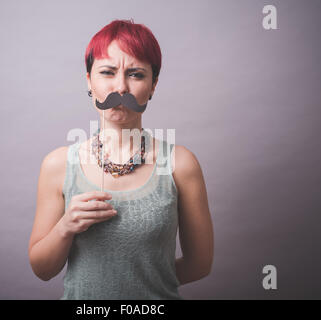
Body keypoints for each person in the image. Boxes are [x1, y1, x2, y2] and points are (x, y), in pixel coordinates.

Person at [28, 19, 214, 300]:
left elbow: (199, 265)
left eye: (136, 74)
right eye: (107, 72)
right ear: (89, 80)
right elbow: (42, 270)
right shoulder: (58, 165)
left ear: (153, 85)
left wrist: (141, 283)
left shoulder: (180, 164)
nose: (121, 88)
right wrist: (66, 226)